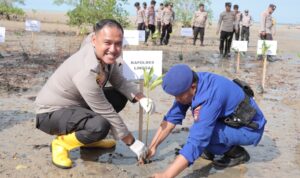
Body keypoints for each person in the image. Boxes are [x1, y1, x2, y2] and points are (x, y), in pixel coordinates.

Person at [34, 19, 155, 169]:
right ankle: (61, 144)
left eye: (118, 43)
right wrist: (132, 142)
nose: (113, 49)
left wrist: (141, 97)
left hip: (76, 105)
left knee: (119, 97)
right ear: (94, 40)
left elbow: (119, 82)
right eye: (108, 43)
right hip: (50, 113)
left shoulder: (105, 58)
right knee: (100, 125)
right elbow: (106, 112)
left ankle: (89, 140)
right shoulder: (86, 70)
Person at [147, 64, 266, 178]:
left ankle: (237, 153)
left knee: (204, 135)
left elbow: (198, 140)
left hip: (249, 129)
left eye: (178, 96)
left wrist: (166, 175)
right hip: (230, 121)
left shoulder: (209, 96)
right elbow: (172, 117)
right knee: (200, 130)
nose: (176, 99)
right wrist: (153, 146)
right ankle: (210, 149)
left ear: (192, 87)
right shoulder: (192, 83)